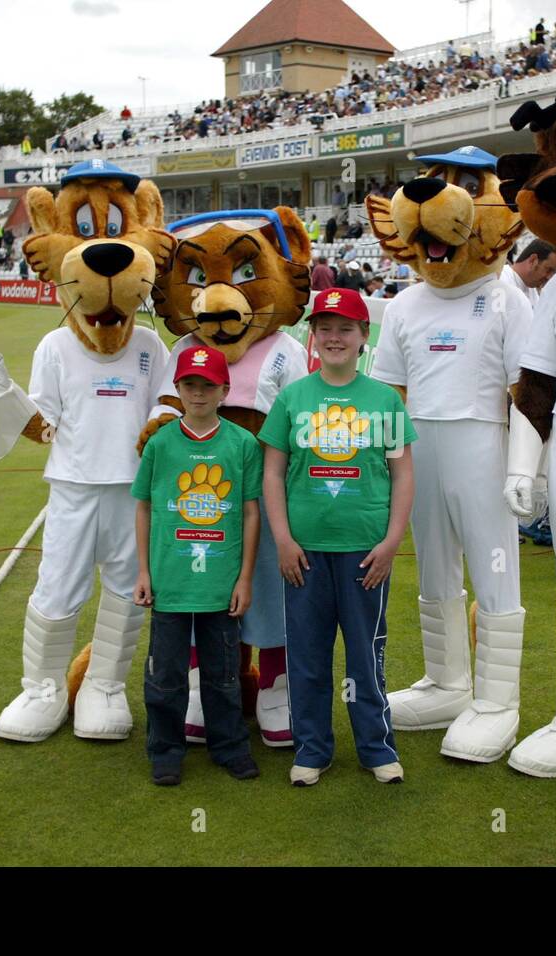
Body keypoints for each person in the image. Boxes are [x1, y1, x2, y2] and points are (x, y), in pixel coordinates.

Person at [259, 289, 417, 787]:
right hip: (303, 553)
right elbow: (272, 473)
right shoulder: (293, 397)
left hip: (365, 552)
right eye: (324, 328)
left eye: (345, 328)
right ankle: (312, 749)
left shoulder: (384, 400)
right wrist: (282, 539)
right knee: (306, 656)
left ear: (363, 337)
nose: (334, 337)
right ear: (312, 335)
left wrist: (392, 541)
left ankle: (376, 747)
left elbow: (403, 474)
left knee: (365, 656)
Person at [132, 345, 262, 786]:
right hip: (170, 581)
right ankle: (165, 750)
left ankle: (230, 746)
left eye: (208, 385)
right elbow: (145, 507)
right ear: (178, 388)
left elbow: (249, 512)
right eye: (190, 384)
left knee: (224, 674)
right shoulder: (161, 443)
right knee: (166, 674)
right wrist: (145, 572)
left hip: (221, 585)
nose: (199, 393)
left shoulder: (242, 444)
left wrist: (245, 577)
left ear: (225, 389)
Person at [500, 238, 556, 305]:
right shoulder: (500, 281)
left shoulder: (532, 291)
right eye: (548, 270)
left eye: (553, 273)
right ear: (532, 260)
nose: (549, 277)